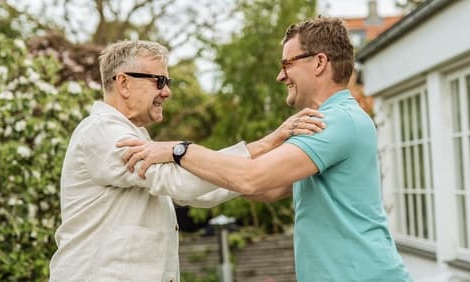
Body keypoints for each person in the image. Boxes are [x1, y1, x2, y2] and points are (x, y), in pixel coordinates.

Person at [118, 17, 412, 281]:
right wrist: (195, 180)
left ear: (320, 63)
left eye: (287, 64)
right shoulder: (326, 123)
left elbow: (251, 178)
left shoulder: (336, 123)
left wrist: (178, 151)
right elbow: (265, 190)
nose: (280, 76)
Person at [48, 40, 325, 282]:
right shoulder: (103, 132)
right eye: (159, 81)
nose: (167, 92)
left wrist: (277, 173)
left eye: (167, 82)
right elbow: (181, 181)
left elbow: (203, 192)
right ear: (123, 83)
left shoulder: (135, 135)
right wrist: (269, 142)